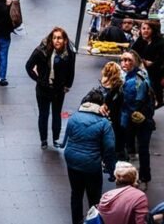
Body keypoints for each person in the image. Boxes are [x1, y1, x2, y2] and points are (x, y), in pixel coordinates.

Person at [64, 89, 116, 224]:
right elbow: (110, 146)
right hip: (91, 164)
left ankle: (76, 221)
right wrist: (111, 169)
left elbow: (68, 136)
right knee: (94, 198)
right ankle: (92, 221)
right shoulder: (104, 123)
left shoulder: (74, 116)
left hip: (72, 160)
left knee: (76, 193)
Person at [23, 27, 77, 149]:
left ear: (65, 40)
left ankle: (55, 139)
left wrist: (68, 85)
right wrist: (38, 79)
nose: (57, 41)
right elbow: (28, 66)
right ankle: (43, 140)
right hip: (43, 89)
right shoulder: (41, 51)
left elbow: (71, 70)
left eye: (59, 38)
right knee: (43, 114)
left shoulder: (69, 53)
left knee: (56, 114)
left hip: (58, 89)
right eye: (54, 38)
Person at [119, 51, 155, 184]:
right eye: (123, 60)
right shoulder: (142, 74)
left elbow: (128, 105)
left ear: (135, 62)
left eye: (129, 60)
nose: (125, 63)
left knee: (133, 148)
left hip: (135, 119)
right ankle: (144, 176)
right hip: (145, 118)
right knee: (143, 149)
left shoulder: (132, 81)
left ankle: (134, 176)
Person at [131, 20, 164, 106]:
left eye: (148, 29)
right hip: (141, 67)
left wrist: (152, 64)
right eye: (143, 28)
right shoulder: (141, 40)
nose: (145, 31)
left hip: (157, 70)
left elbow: (161, 59)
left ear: (153, 30)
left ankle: (157, 99)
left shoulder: (160, 42)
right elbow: (133, 52)